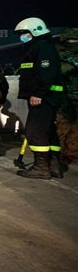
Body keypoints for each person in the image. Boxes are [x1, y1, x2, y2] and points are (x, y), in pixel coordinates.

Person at [14, 17, 64, 179]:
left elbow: (46, 72)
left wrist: (38, 93)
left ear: (35, 31)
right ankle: (53, 165)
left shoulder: (42, 48)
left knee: (35, 131)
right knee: (49, 130)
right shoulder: (41, 47)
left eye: (24, 33)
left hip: (43, 98)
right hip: (48, 97)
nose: (22, 36)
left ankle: (41, 167)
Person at [54, 27, 78, 174]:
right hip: (64, 96)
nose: (73, 42)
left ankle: (71, 153)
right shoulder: (59, 52)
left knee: (75, 128)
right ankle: (59, 155)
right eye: (71, 40)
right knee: (62, 126)